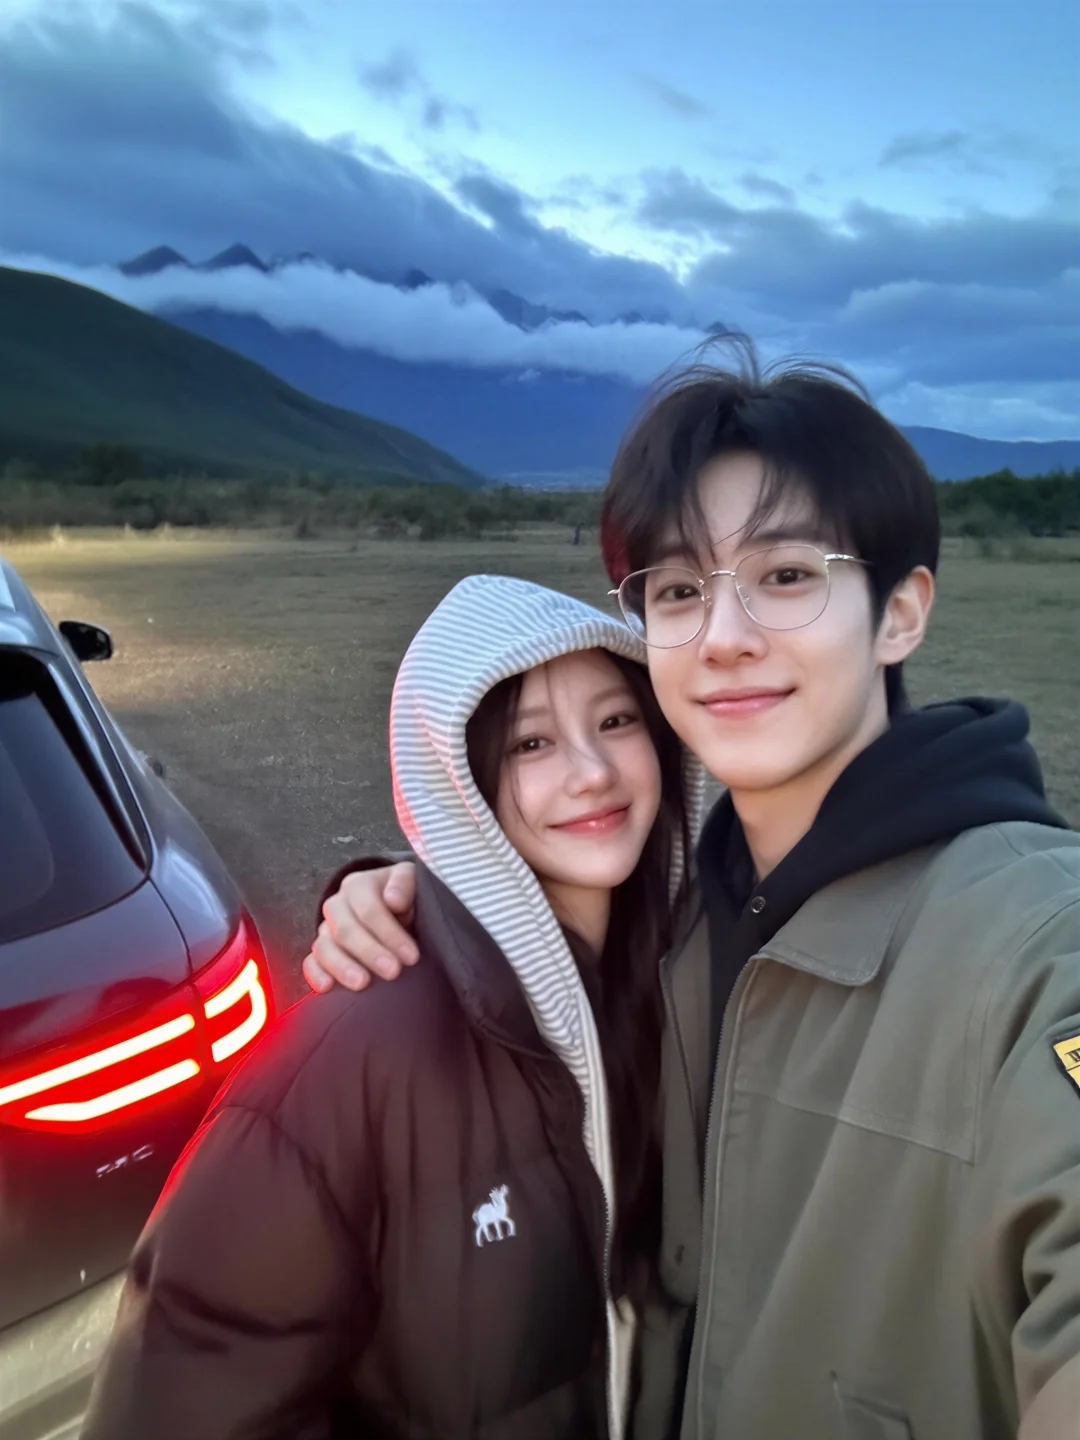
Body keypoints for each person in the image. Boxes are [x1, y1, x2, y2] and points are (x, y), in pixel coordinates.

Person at [305, 340, 1080, 1440]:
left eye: (787, 575)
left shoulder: (1034, 940)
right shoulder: (681, 922)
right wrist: (422, 896)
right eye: (677, 590)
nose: (723, 638)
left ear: (900, 613)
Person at [82, 573, 707, 1440]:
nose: (593, 772)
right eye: (529, 743)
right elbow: (183, 1398)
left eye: (617, 720)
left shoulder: (696, 983)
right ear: (457, 780)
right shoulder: (347, 1054)